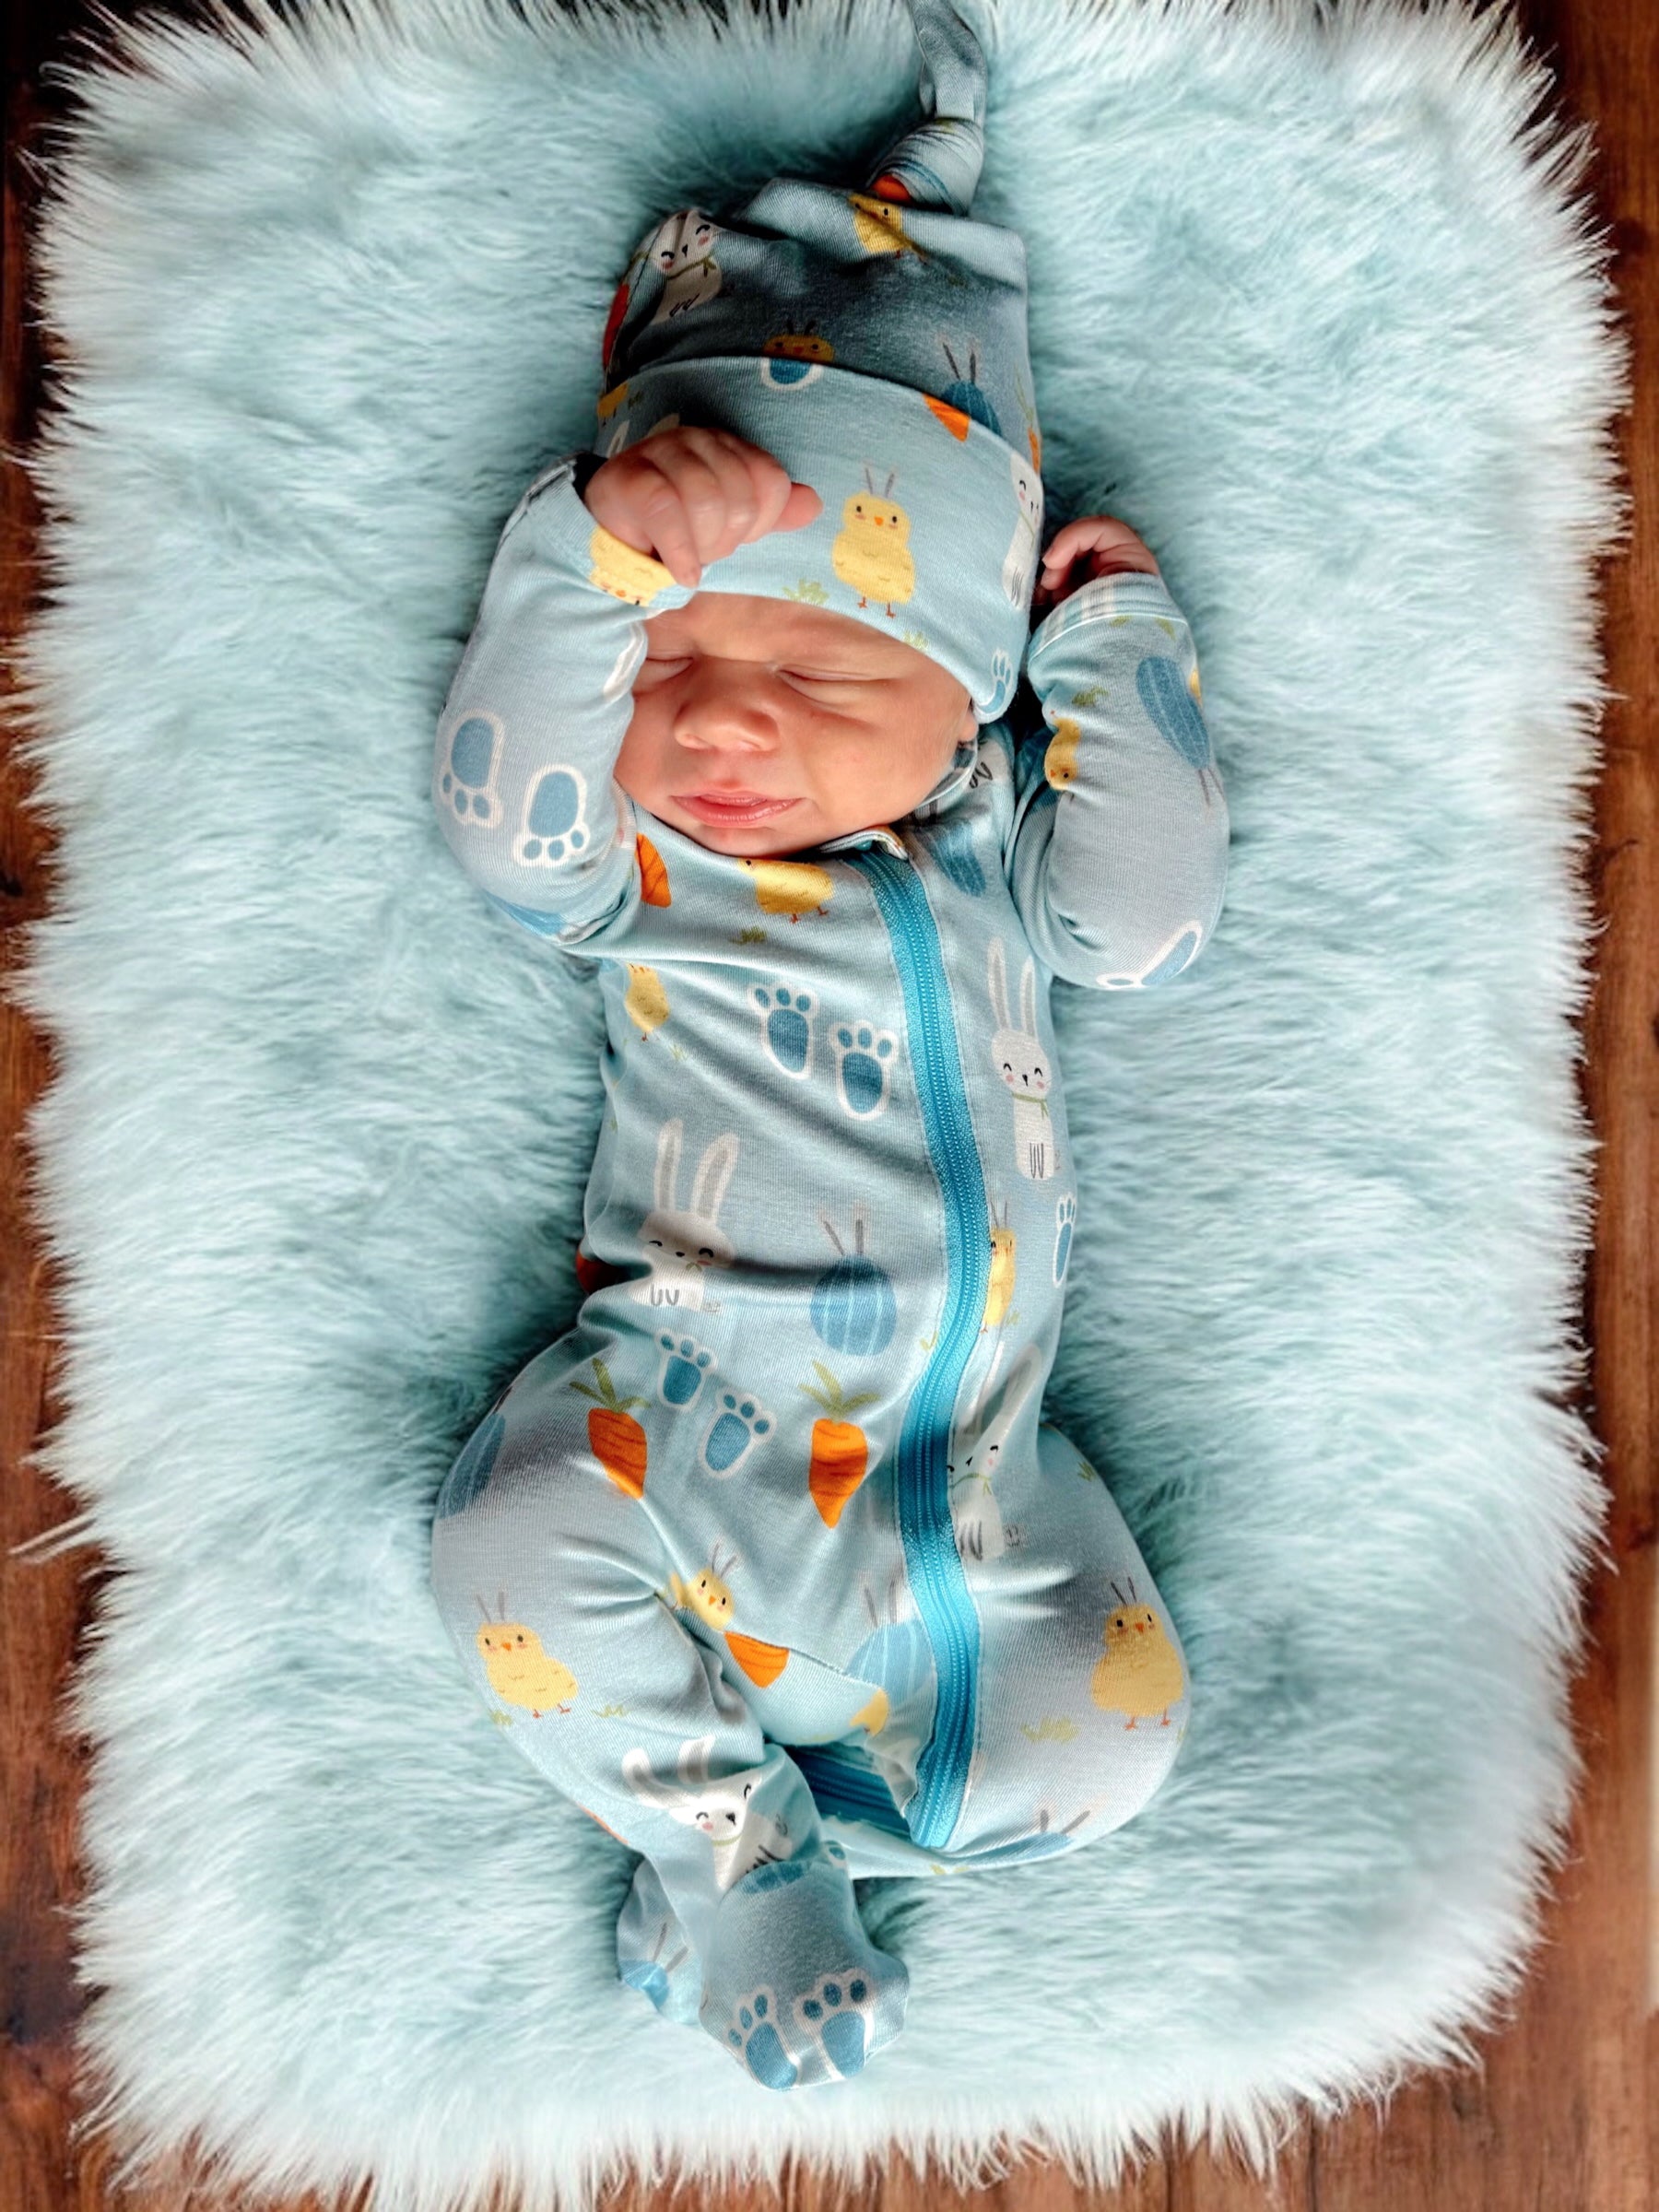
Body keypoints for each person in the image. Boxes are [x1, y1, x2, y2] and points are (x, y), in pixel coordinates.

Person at [428, 0, 1230, 2091]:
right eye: (671, 657)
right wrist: (585, 559)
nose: (718, 721)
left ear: (968, 698)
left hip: (981, 1494)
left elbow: (1147, 928)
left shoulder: (993, 854)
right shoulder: (646, 877)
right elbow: (501, 814)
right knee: (504, 1538)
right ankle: (730, 1851)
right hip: (683, 1418)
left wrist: (1115, 651)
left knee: (1116, 1751)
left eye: (807, 662)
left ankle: (741, 1850)